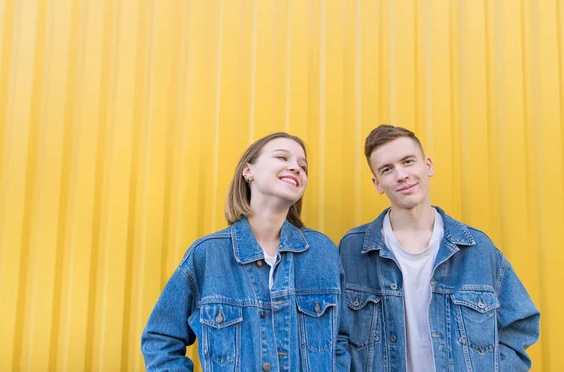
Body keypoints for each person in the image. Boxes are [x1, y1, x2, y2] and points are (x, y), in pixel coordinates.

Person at [142, 132, 350, 371]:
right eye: (282, 157)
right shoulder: (207, 255)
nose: (295, 167)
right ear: (248, 171)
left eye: (302, 166)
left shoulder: (322, 252)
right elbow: (160, 339)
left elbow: (340, 339)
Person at [339, 125, 540, 372]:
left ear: (428, 166)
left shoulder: (476, 248)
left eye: (408, 161)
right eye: (387, 169)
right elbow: (334, 336)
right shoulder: (353, 249)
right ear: (377, 183)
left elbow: (520, 325)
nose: (401, 175)